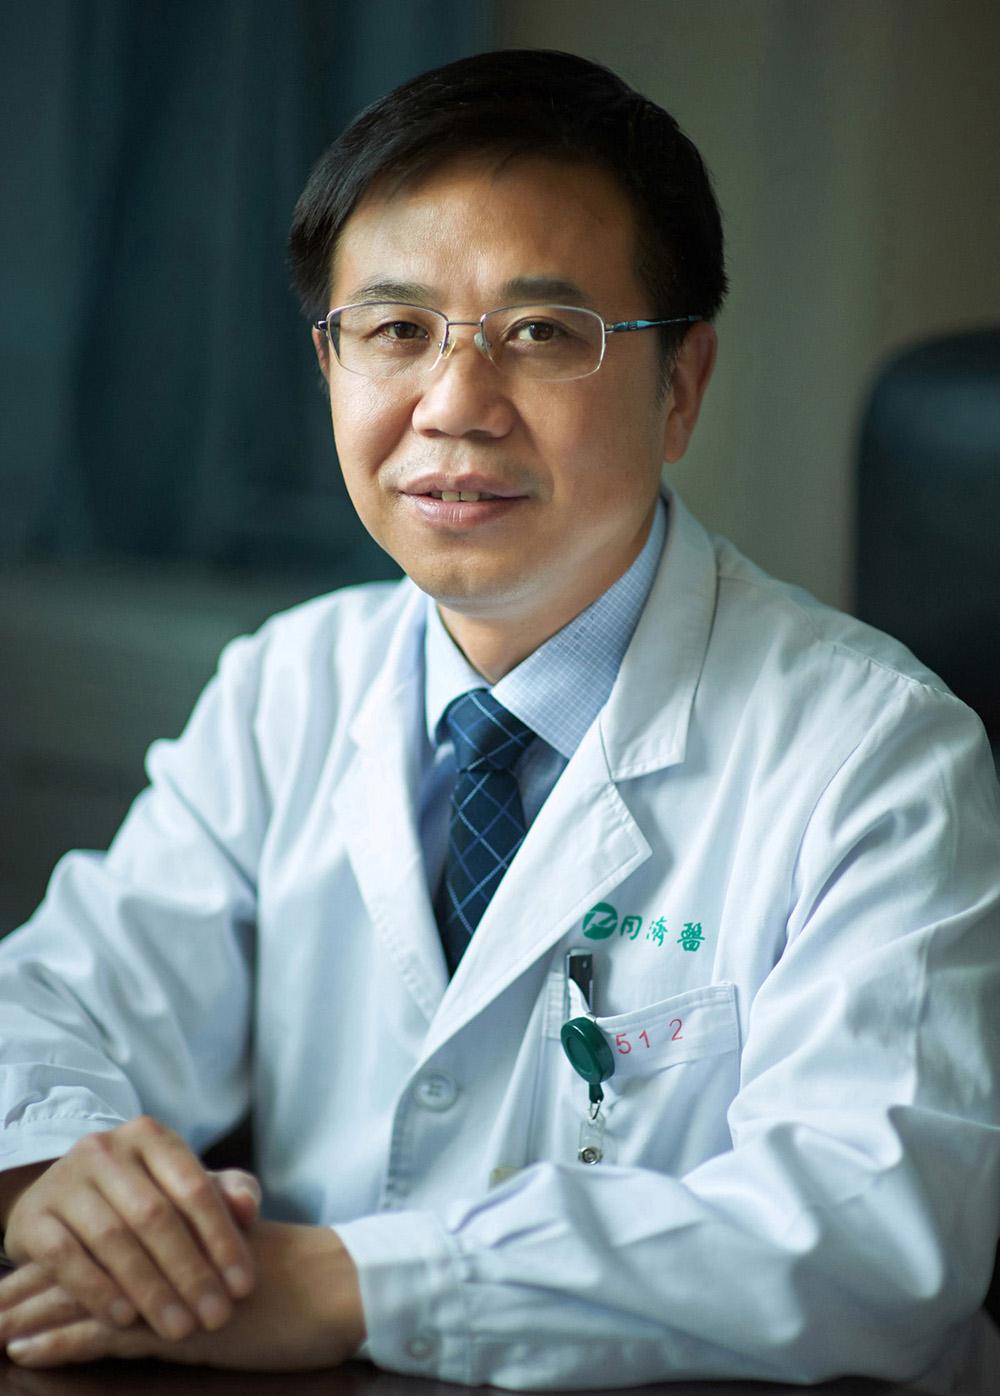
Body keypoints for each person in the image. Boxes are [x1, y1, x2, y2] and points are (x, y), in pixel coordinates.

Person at [0, 47, 998, 1391]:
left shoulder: (880, 755)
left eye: (540, 334)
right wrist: (61, 1179)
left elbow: (872, 1233)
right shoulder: (290, 686)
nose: (454, 407)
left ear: (682, 383)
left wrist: (356, 1284)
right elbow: (59, 997)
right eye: (394, 331)